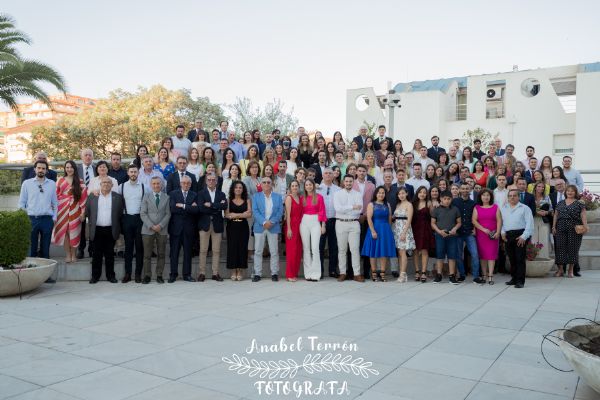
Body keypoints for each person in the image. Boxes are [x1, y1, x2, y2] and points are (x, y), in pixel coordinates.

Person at [18, 160, 58, 280]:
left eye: (43, 168)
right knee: (32, 250)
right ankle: (31, 277)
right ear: (35, 169)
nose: (41, 170)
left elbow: (55, 203)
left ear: (46, 170)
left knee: (45, 250)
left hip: (47, 220)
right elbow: (21, 203)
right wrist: (25, 217)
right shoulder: (27, 183)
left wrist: (54, 217)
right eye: (39, 168)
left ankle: (45, 277)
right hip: (32, 219)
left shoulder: (51, 184)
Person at [85, 177, 124, 284]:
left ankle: (111, 276)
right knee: (96, 255)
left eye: (108, 182)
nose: (106, 184)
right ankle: (95, 276)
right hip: (97, 229)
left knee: (110, 254)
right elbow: (87, 211)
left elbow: (120, 213)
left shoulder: (118, 197)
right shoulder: (93, 196)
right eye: (103, 182)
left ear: (112, 185)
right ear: (100, 184)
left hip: (110, 229)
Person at [52, 160, 87, 263]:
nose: (69, 169)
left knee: (74, 231)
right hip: (62, 209)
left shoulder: (80, 181)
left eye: (71, 167)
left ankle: (74, 254)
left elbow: (83, 198)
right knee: (65, 232)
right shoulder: (60, 180)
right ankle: (68, 255)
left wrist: (82, 212)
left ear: (74, 169)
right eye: (67, 167)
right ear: (65, 169)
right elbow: (55, 196)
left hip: (75, 209)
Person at [501, 189, 534, 288]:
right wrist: (502, 232)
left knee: (519, 258)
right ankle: (514, 278)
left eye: (514, 195)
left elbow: (530, 224)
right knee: (512, 258)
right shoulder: (504, 208)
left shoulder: (525, 208)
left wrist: (524, 237)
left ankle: (520, 281)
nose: (512, 197)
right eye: (510, 196)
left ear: (518, 197)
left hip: (520, 235)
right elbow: (501, 222)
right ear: (508, 197)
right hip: (508, 235)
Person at [452, 183, 485, 284]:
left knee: (475, 254)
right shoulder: (454, 202)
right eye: (463, 189)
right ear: (460, 190)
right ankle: (462, 274)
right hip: (458, 233)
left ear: (470, 190)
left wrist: (475, 228)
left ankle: (476, 276)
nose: (465, 190)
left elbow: (476, 218)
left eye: (467, 189)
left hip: (469, 232)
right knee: (458, 255)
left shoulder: (474, 203)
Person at [361, 186, 396, 281]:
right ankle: (374, 273)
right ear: (376, 194)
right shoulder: (371, 204)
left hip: (385, 230)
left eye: (383, 193)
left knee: (383, 252)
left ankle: (382, 273)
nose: (381, 194)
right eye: (379, 193)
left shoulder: (387, 205)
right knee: (373, 252)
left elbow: (389, 218)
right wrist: (372, 231)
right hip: (374, 229)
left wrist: (388, 231)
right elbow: (369, 218)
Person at [252, 177, 283, 282]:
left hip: (273, 227)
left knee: (274, 252)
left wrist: (272, 222)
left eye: (268, 182)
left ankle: (274, 273)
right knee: (258, 251)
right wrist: (264, 222)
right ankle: (257, 273)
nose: (266, 184)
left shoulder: (278, 197)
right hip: (260, 227)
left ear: (271, 184)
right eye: (264, 182)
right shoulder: (256, 196)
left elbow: (280, 212)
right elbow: (255, 211)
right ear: (261, 184)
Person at [334, 174, 364, 282]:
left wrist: (346, 209)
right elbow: (338, 208)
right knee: (342, 250)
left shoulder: (358, 194)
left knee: (355, 249)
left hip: (354, 223)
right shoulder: (337, 194)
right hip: (341, 223)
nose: (348, 183)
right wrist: (352, 207)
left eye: (350, 181)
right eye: (346, 181)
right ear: (343, 182)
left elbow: (359, 210)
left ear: (353, 182)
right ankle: (343, 273)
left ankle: (357, 274)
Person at [197, 173, 227, 282]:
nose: (211, 181)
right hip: (204, 225)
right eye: (209, 180)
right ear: (206, 181)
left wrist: (211, 205)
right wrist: (217, 206)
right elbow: (201, 208)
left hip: (217, 225)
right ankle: (202, 273)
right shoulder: (200, 193)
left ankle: (215, 273)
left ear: (216, 181)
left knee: (216, 251)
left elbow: (224, 206)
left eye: (213, 180)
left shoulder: (221, 194)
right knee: (203, 250)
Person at [140, 176, 171, 284]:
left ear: (161, 185)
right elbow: (143, 213)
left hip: (162, 230)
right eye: (154, 184)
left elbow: (168, 214)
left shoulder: (166, 197)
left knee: (161, 254)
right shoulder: (146, 196)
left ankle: (159, 275)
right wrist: (151, 226)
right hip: (148, 230)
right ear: (151, 185)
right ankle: (147, 275)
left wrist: (161, 225)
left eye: (158, 183)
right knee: (147, 254)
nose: (156, 185)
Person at [168, 175, 198, 283]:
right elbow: (173, 208)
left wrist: (183, 206)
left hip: (189, 229)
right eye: (184, 183)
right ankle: (173, 274)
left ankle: (187, 275)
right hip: (175, 228)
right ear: (180, 183)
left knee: (187, 253)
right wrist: (189, 207)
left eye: (188, 183)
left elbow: (196, 210)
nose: (186, 185)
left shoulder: (194, 195)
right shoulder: (173, 194)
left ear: (190, 184)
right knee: (174, 253)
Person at [553, 185, 587, 278]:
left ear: (575, 193)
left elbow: (583, 215)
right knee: (560, 248)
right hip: (560, 227)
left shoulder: (580, 203)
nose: (570, 192)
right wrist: (553, 226)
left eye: (572, 191)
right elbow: (556, 215)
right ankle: (560, 270)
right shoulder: (560, 203)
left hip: (574, 228)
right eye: (568, 191)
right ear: (565, 192)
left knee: (573, 248)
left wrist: (585, 226)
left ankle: (570, 270)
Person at [119, 164, 145, 283]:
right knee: (128, 248)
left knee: (140, 248)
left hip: (140, 219)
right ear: (128, 173)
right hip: (127, 218)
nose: (133, 174)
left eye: (135, 172)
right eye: (131, 172)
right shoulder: (121, 187)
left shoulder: (144, 187)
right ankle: (128, 273)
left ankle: (138, 274)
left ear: (138, 173)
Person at [431, 191, 462, 284]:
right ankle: (439, 275)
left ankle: (451, 275)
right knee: (440, 255)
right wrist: (439, 231)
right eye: (445, 199)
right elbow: (432, 223)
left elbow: (459, 222)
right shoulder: (436, 210)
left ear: (451, 199)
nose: (447, 201)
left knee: (452, 256)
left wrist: (455, 229)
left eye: (449, 199)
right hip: (440, 236)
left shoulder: (455, 209)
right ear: (441, 199)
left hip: (452, 236)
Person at [473, 189, 502, 285]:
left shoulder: (495, 207)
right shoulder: (477, 207)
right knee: (483, 256)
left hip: (493, 235)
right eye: (484, 195)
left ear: (491, 197)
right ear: (480, 197)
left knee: (491, 256)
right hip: (481, 235)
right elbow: (474, 221)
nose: (486, 197)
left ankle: (490, 276)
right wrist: (483, 229)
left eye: (488, 195)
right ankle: (484, 275)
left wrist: (498, 232)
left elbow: (499, 220)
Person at [300, 179, 327, 281]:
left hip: (316, 221)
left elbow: (322, 211)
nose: (308, 186)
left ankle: (316, 274)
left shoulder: (319, 197)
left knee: (315, 249)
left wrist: (323, 225)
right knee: (306, 248)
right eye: (306, 185)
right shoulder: (302, 198)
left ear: (313, 186)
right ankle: (308, 274)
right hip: (304, 222)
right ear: (305, 187)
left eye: (310, 184)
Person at [225, 181, 252, 281]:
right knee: (232, 248)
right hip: (231, 227)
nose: (238, 189)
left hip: (243, 226)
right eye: (236, 187)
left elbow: (249, 214)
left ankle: (240, 270)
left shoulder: (247, 200)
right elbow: (227, 215)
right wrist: (241, 214)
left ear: (243, 189)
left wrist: (235, 215)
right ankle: (233, 270)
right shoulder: (228, 200)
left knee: (242, 248)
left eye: (240, 187)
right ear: (233, 189)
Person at [317, 168, 341, 278]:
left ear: (333, 176)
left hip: (334, 220)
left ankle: (332, 270)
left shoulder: (338, 190)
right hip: (320, 221)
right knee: (320, 247)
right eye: (326, 173)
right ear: (322, 175)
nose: (328, 175)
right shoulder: (317, 189)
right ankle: (320, 271)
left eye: (330, 173)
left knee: (334, 247)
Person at [353, 165, 376, 278]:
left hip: (367, 218)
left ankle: (366, 271)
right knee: (354, 245)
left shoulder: (371, 186)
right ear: (356, 171)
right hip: (354, 218)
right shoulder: (351, 184)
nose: (361, 172)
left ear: (367, 172)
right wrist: (357, 215)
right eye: (360, 170)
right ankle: (353, 271)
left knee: (367, 244)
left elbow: (373, 202)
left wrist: (366, 215)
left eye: (364, 171)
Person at [393, 187, 416, 282]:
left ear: (406, 193)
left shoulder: (409, 205)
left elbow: (409, 219)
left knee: (403, 252)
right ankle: (401, 272)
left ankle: (403, 275)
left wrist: (404, 232)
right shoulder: (398, 204)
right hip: (396, 229)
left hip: (404, 229)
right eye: (399, 194)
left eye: (403, 193)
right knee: (399, 252)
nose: (401, 195)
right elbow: (395, 217)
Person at [77, 148, 96, 259]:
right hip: (80, 202)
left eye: (90, 155)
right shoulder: (77, 169)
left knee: (94, 226)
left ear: (92, 157)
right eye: (86, 155)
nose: (88, 157)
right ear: (82, 157)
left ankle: (92, 249)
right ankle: (81, 249)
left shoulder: (96, 168)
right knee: (81, 226)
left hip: (94, 201)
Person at [285, 181, 303, 281]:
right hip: (292, 225)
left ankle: (295, 273)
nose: (295, 187)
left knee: (298, 251)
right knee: (292, 251)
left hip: (300, 226)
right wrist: (289, 229)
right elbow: (288, 214)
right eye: (293, 186)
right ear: (290, 187)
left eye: (296, 186)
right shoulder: (289, 198)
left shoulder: (300, 198)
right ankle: (289, 274)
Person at [532, 181, 552, 259]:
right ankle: (533, 256)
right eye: (539, 186)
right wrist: (536, 212)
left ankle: (544, 257)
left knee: (544, 238)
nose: (541, 188)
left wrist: (546, 212)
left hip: (544, 220)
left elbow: (551, 210)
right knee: (534, 238)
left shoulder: (547, 197)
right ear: (535, 187)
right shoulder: (531, 197)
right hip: (533, 219)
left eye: (542, 187)